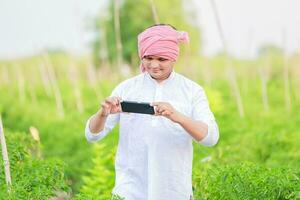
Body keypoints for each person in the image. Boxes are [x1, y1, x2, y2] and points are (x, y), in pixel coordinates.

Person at [85, 24, 219, 200]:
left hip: (174, 190)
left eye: (161, 59)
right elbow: (92, 135)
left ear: (173, 58)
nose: (154, 65)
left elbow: (211, 138)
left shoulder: (191, 90)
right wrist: (103, 114)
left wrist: (176, 116)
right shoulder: (127, 88)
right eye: (148, 58)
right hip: (130, 190)